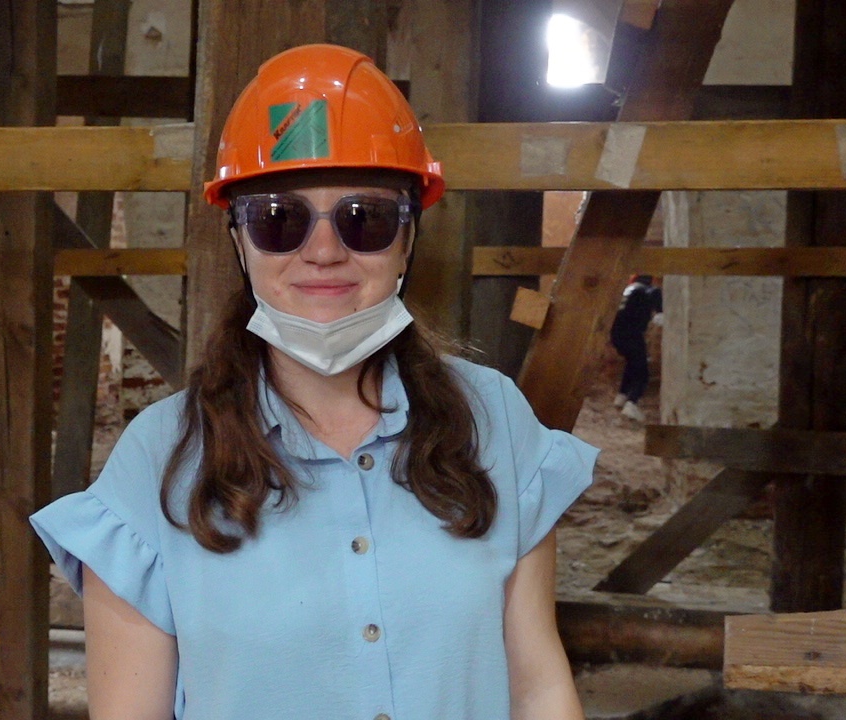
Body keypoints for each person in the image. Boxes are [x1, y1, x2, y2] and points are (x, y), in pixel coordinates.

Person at [30, 44, 598, 720]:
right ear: (239, 240)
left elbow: (538, 688)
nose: (324, 252)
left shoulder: (494, 421)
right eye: (279, 220)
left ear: (408, 239)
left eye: (366, 219)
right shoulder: (158, 463)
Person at [609, 274, 663, 423]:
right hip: (632, 335)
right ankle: (631, 403)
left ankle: (622, 396)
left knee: (632, 363)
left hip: (616, 335)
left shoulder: (628, 290)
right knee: (642, 373)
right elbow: (654, 294)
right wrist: (660, 311)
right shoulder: (649, 290)